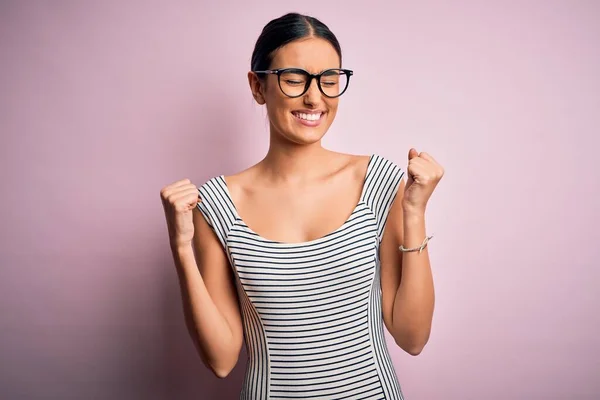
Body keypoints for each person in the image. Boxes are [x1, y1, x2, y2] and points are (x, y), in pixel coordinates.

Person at [160, 12, 444, 400]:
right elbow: (221, 360)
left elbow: (412, 337)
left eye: (329, 81)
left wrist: (414, 211)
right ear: (257, 86)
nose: (315, 97)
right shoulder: (216, 204)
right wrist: (180, 247)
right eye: (294, 80)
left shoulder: (377, 183)